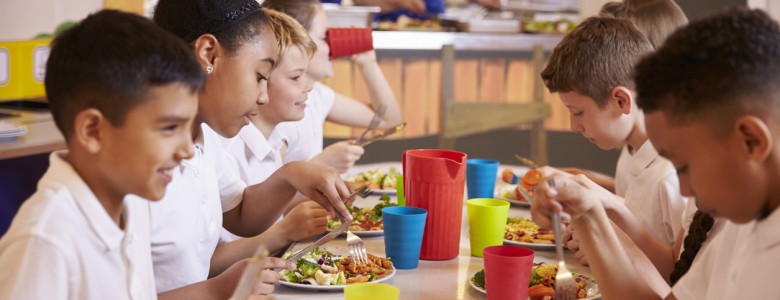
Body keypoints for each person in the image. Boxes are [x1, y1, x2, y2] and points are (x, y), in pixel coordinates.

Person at [532, 7, 780, 299]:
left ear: (751, 141)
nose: (684, 189)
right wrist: (588, 214)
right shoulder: (742, 224)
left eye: (685, 168)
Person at [149, 0, 353, 296]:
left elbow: (242, 214)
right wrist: (218, 290)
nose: (263, 98)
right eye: (260, 77)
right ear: (209, 55)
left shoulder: (206, 139)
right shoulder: (140, 163)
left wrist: (291, 175)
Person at [0, 9, 201, 299]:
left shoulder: (130, 207)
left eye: (188, 127)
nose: (187, 150)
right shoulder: (45, 242)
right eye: (170, 127)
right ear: (92, 131)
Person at [538, 15, 688, 280]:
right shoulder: (633, 147)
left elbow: (680, 276)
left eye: (578, 112)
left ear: (621, 101)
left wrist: (604, 246)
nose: (574, 126)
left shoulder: (671, 175)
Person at [212, 7, 330, 270]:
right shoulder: (226, 148)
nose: (308, 86)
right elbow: (209, 262)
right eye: (296, 77)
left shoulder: (271, 143)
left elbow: (258, 219)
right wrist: (285, 230)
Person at [263, 0, 403, 174]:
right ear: (297, 39)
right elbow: (266, 196)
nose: (333, 45)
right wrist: (322, 165)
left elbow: (390, 120)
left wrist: (369, 65)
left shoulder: (316, 95)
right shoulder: (281, 112)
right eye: (324, 37)